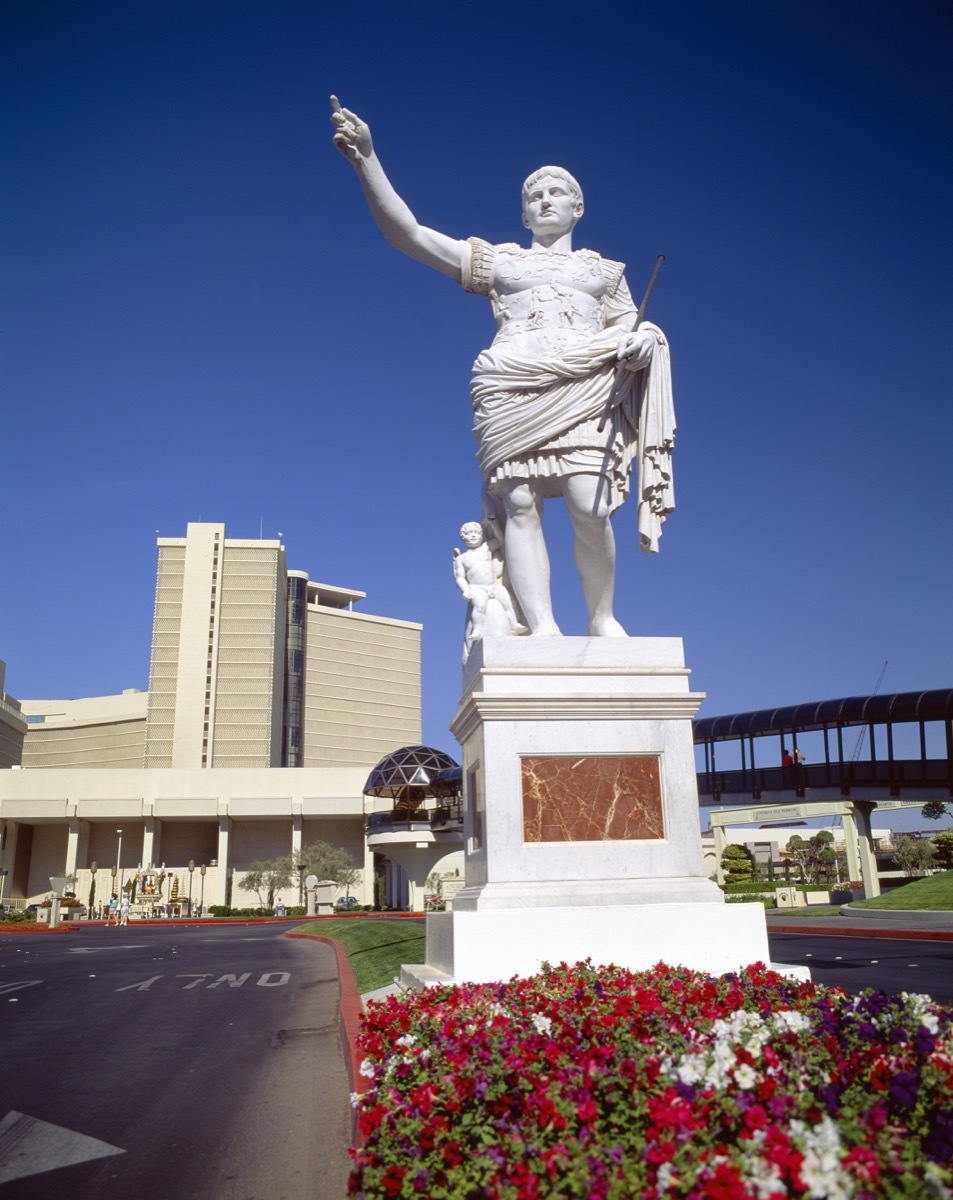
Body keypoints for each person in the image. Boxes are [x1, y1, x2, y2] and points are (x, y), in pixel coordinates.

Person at [331, 99, 675, 637]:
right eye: (533, 196)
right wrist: (368, 160)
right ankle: (543, 627)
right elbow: (412, 235)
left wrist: (643, 342)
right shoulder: (501, 261)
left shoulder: (604, 271)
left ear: (578, 207)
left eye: (555, 192)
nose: (544, 200)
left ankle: (602, 617)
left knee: (590, 504)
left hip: (584, 385)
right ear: (523, 213)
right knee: (519, 502)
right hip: (510, 383)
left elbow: (630, 327)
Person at [454, 521, 527, 660]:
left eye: (476, 533)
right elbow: (460, 577)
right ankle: (478, 628)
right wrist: (465, 590)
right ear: (463, 538)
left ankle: (514, 624)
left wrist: (494, 524)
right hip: (476, 587)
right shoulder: (462, 558)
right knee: (480, 606)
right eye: (469, 534)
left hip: (493, 585)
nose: (473, 536)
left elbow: (500, 540)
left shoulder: (486, 548)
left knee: (507, 601)